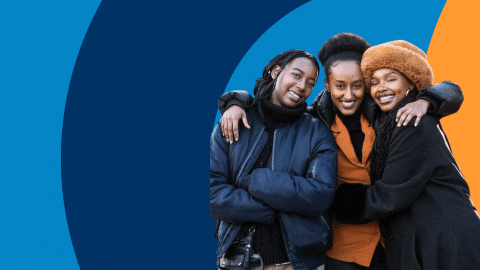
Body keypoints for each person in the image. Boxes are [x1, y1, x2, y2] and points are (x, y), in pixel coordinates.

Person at [217, 33, 463, 270]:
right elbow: (269, 107)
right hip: (342, 248)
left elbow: (451, 89)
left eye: (357, 85)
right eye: (340, 86)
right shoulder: (315, 121)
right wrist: (235, 101)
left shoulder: (383, 113)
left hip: (391, 241)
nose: (349, 95)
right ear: (327, 85)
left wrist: (427, 100)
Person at [331, 40, 480, 270]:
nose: (381, 88)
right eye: (374, 82)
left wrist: (339, 200)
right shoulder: (387, 118)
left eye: (391, 79)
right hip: (427, 234)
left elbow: (389, 196)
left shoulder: (412, 122)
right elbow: (339, 96)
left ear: (411, 83)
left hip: (445, 239)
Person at [210, 49, 338, 270]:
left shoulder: (317, 132)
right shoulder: (232, 123)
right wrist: (279, 208)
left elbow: (321, 194)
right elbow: (211, 193)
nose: (301, 86)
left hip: (298, 263)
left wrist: (257, 181)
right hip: (239, 261)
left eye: (310, 83)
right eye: (296, 75)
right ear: (275, 71)